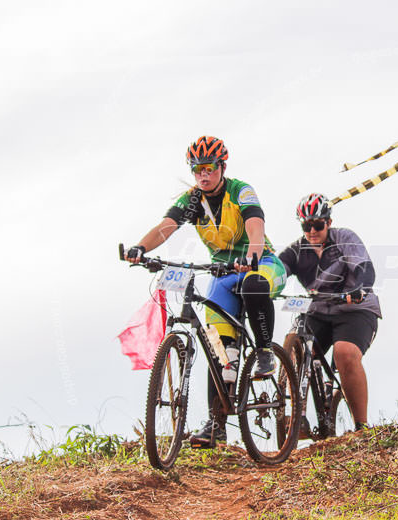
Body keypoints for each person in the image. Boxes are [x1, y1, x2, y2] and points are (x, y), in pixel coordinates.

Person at [125, 136, 287, 447]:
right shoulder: (192, 200)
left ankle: (265, 351)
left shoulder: (240, 190)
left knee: (254, 285)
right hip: (223, 272)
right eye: (197, 169)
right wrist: (140, 248)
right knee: (219, 350)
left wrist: (252, 255)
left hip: (260, 263)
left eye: (209, 168)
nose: (203, 174)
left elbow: (255, 224)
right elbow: (166, 226)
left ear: (222, 167)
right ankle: (217, 425)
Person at [277, 193, 381, 431]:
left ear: (329, 223)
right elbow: (277, 269)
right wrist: (264, 284)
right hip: (319, 310)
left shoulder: (344, 237)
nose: (312, 231)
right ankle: (297, 419)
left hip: (355, 308)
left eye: (318, 225)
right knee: (295, 346)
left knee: (344, 353)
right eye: (306, 226)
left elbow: (365, 268)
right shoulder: (296, 250)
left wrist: (359, 287)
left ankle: (361, 427)